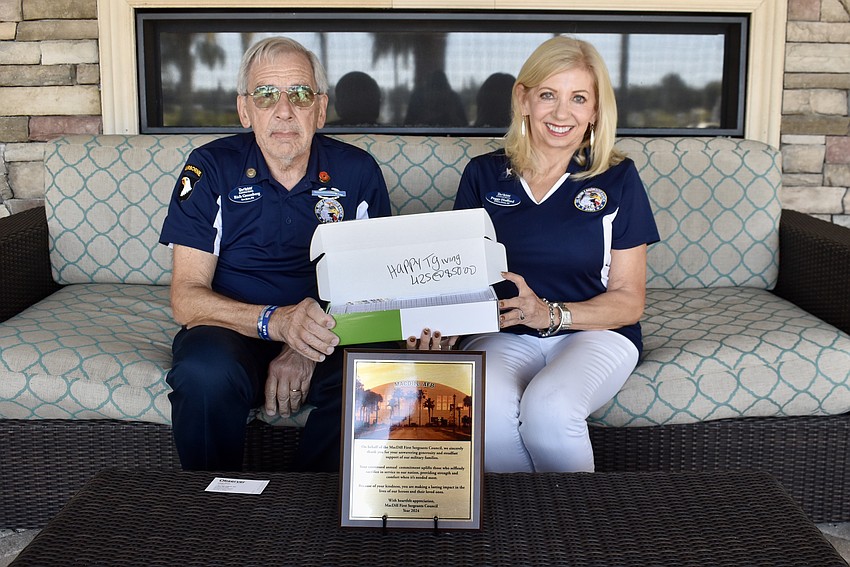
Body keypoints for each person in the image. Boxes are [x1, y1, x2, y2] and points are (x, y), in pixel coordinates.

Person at [159, 37, 397, 473]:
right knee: (203, 372)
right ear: (244, 109)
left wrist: (305, 346)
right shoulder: (210, 167)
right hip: (232, 328)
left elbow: (377, 289)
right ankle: (213, 502)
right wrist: (277, 322)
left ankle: (310, 501)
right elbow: (186, 298)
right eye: (266, 95)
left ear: (320, 109)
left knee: (376, 370)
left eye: (300, 94)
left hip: (329, 332)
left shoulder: (357, 171)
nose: (284, 110)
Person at [453, 36, 660, 473]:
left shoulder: (618, 177)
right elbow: (458, 278)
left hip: (595, 331)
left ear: (596, 110)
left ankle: (574, 517)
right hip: (503, 333)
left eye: (578, 98)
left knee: (549, 410)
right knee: (483, 414)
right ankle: (523, 516)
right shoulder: (483, 174)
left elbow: (629, 300)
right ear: (523, 99)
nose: (562, 113)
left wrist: (550, 314)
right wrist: (435, 328)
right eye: (548, 95)